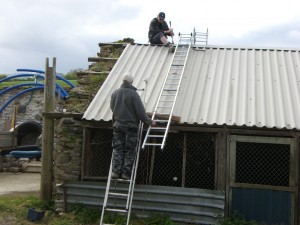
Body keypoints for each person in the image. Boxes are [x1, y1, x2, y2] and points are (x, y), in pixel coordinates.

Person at [110, 72, 156, 180]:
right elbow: (141, 113)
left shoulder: (115, 93)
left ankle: (115, 172)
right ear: (131, 82)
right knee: (129, 149)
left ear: (123, 80)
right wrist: (150, 122)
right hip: (130, 127)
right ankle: (126, 174)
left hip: (118, 125)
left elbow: (113, 108)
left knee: (118, 149)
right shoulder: (134, 95)